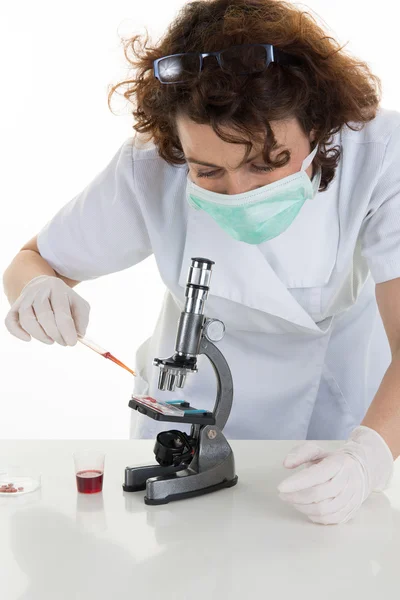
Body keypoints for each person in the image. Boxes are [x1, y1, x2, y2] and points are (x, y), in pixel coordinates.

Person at [3, 0, 400, 525]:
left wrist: (366, 457)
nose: (239, 193)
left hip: (335, 433)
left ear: (318, 121)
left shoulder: (379, 156)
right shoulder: (151, 166)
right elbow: (32, 260)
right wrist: (36, 291)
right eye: (207, 171)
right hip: (183, 428)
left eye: (267, 163)